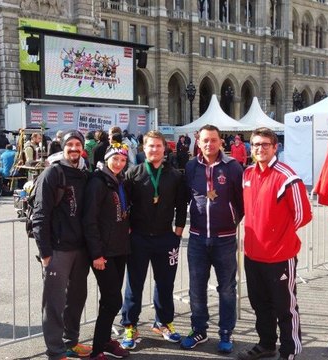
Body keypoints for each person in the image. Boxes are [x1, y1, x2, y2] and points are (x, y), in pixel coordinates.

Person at [238, 127, 312, 360]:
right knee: (260, 305)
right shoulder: (247, 173)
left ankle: (289, 351)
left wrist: (279, 236)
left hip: (280, 257)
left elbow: (303, 215)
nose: (260, 149)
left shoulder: (287, 177)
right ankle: (266, 344)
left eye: (265, 145)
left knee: (285, 308)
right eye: (256, 144)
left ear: (275, 147)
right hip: (253, 254)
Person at [120, 130, 188, 349]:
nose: (154, 149)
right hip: (138, 238)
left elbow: (181, 206)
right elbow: (124, 205)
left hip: (166, 239)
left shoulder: (175, 175)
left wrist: (178, 231)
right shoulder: (134, 173)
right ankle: (130, 324)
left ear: (164, 149)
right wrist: (128, 230)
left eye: (158, 146)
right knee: (134, 284)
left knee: (165, 284)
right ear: (144, 147)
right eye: (150, 146)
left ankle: (164, 322)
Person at [180, 125, 244, 353]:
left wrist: (231, 220)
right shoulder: (190, 167)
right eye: (205, 140)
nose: (209, 144)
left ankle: (226, 332)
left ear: (220, 142)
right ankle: (198, 330)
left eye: (213, 140)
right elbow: (186, 197)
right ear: (198, 142)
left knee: (226, 288)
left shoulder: (234, 167)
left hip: (225, 239)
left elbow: (242, 201)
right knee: (196, 289)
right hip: (197, 238)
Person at [32, 130, 92, 360]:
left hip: (80, 250)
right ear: (62, 147)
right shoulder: (52, 174)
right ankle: (55, 352)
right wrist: (45, 253)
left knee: (76, 300)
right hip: (57, 250)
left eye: (78, 144)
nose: (74, 148)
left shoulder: (84, 174)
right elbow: (40, 215)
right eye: (70, 145)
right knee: (54, 305)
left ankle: (71, 342)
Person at [83, 143, 131, 360]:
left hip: (119, 248)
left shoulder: (118, 180)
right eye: (115, 159)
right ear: (107, 158)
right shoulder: (98, 181)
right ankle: (96, 350)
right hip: (104, 252)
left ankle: (105, 341)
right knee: (113, 300)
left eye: (123, 160)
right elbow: (89, 220)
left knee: (109, 299)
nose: (119, 163)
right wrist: (96, 254)